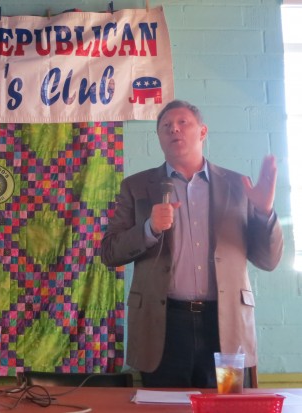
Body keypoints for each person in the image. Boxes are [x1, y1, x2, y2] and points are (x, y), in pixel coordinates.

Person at [100, 100, 283, 388]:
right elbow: (109, 252)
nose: (174, 128)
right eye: (165, 126)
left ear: (202, 131)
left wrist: (264, 212)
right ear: (159, 138)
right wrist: (149, 228)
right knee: (163, 409)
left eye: (182, 122)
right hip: (164, 326)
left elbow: (268, 260)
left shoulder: (239, 185)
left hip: (225, 327)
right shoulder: (136, 187)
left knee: (226, 407)